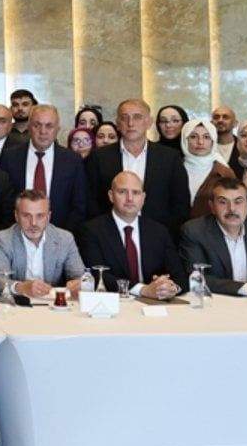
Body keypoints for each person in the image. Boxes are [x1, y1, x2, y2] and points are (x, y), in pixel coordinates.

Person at [85, 98, 190, 234]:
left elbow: (180, 204)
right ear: (117, 124)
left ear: (149, 122)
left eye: (137, 117)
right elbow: (90, 202)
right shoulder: (99, 157)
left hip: (158, 236)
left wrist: (164, 236)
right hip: (109, 235)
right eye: (124, 118)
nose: (130, 123)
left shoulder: (170, 158)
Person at [76, 171, 187, 297]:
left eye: (136, 193)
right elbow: (97, 276)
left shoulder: (159, 231)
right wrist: (143, 290)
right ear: (111, 196)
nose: (130, 198)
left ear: (143, 198)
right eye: (122, 192)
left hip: (155, 303)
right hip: (114, 302)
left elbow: (180, 276)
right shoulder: (91, 230)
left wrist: (171, 288)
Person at [179, 177, 247, 298]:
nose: (231, 208)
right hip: (217, 303)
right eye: (223, 202)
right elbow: (196, 278)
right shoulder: (195, 231)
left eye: (238, 201)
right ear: (212, 207)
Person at [0, 104, 87, 231]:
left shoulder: (73, 161)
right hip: (16, 234)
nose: (43, 131)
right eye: (37, 125)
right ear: (29, 127)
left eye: (49, 126)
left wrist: (62, 236)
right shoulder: (9, 157)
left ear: (57, 129)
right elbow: (2, 203)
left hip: (60, 235)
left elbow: (79, 205)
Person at [0, 190, 86, 298]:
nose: (33, 223)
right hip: (17, 303)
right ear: (16, 216)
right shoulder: (2, 239)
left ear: (48, 217)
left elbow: (81, 276)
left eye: (40, 216)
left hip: (53, 302)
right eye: (26, 216)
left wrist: (79, 284)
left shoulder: (65, 239)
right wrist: (21, 287)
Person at [181, 117, 236, 218]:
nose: (200, 142)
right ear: (185, 140)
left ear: (213, 141)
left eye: (206, 137)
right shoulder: (174, 168)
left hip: (211, 226)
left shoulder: (224, 172)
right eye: (193, 137)